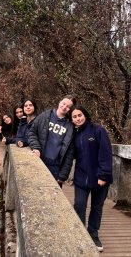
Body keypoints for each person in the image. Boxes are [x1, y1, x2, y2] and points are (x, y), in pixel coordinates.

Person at [70, 105, 113, 252]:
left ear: (85, 115)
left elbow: (106, 153)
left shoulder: (97, 130)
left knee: (96, 208)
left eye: (79, 115)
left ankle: (93, 234)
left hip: (99, 178)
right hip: (81, 178)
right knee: (79, 206)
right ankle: (80, 234)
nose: (77, 118)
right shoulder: (74, 134)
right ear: (72, 120)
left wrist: (103, 174)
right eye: (74, 117)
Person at [28, 95, 76, 187]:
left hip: (55, 167)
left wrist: (62, 176)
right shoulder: (45, 116)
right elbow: (32, 132)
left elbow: (69, 153)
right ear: (60, 102)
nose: (65, 107)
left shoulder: (70, 126)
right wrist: (36, 148)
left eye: (68, 107)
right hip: (40, 161)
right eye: (64, 103)